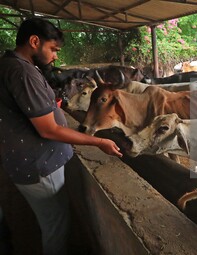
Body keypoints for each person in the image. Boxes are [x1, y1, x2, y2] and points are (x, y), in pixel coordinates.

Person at [0, 18, 123, 255]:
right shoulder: (22, 72)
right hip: (39, 166)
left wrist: (51, 106)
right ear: (34, 41)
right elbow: (48, 129)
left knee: (51, 219)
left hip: (28, 161)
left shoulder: (10, 65)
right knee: (56, 224)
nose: (56, 56)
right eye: (53, 49)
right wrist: (100, 142)